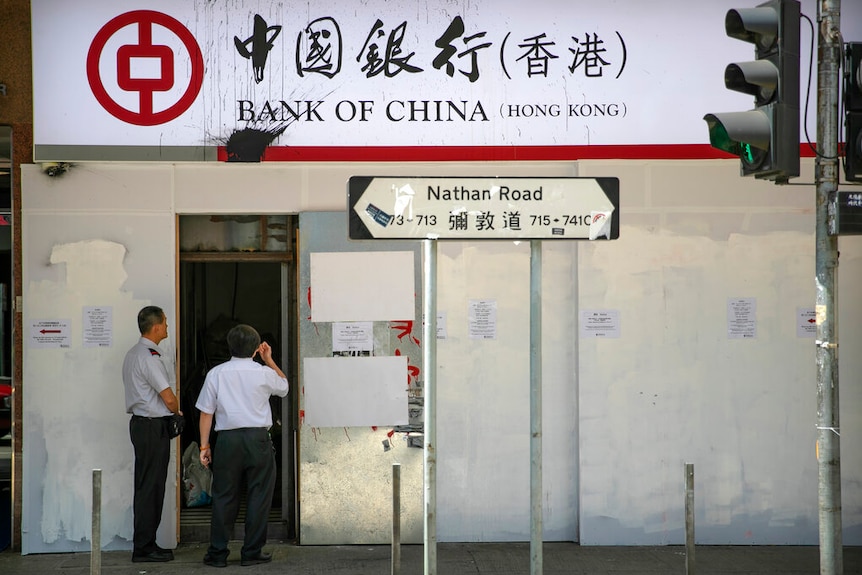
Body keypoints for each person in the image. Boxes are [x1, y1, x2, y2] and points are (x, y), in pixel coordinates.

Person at [196, 324, 289, 568]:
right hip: (257, 440)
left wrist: (204, 447)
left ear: (229, 346)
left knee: (224, 496)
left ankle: (217, 554)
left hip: (227, 441)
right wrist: (269, 360)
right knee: (259, 496)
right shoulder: (263, 373)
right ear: (257, 349)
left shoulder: (216, 373)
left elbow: (206, 413)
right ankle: (251, 552)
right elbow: (284, 387)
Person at [122, 305, 180, 563]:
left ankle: (146, 543)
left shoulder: (134, 353)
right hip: (151, 427)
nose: (167, 327)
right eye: (165, 323)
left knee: (147, 485)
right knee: (152, 487)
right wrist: (178, 411)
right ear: (155, 327)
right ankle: (144, 548)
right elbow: (168, 398)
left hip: (142, 424)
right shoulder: (149, 355)